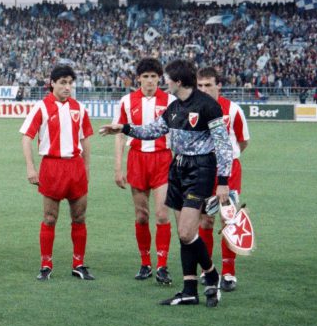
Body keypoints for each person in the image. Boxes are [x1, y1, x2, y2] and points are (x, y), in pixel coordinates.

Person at [100, 59, 232, 308]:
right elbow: (152, 130)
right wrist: (124, 128)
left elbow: (224, 146)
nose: (164, 83)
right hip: (177, 169)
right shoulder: (173, 108)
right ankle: (190, 289)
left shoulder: (208, 106)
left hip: (200, 170)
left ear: (178, 81)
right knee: (186, 235)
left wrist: (223, 182)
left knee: (185, 232)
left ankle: (212, 273)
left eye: (167, 79)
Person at [20, 64, 95, 281]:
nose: (67, 87)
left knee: (79, 217)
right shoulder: (41, 107)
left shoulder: (79, 109)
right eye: (63, 82)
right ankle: (46, 265)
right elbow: (26, 138)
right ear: (52, 83)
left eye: (70, 83)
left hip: (75, 166)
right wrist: (30, 167)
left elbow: (85, 139)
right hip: (52, 166)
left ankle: (78, 264)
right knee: (50, 218)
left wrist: (87, 167)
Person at [113, 58, 176, 284]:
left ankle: (162, 265)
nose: (149, 81)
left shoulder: (170, 101)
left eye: (153, 77)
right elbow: (120, 133)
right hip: (137, 160)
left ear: (159, 78)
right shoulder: (127, 101)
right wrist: (118, 166)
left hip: (162, 160)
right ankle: (145, 263)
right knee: (141, 216)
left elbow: (178, 132)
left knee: (161, 215)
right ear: (138, 78)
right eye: (145, 76)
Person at [196, 66, 250, 292]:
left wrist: (227, 164)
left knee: (228, 220)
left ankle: (229, 272)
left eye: (208, 84)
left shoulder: (233, 110)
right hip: (202, 169)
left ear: (219, 85)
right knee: (205, 221)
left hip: (228, 171)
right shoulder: (193, 109)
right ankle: (209, 271)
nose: (204, 89)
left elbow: (242, 141)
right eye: (199, 85)